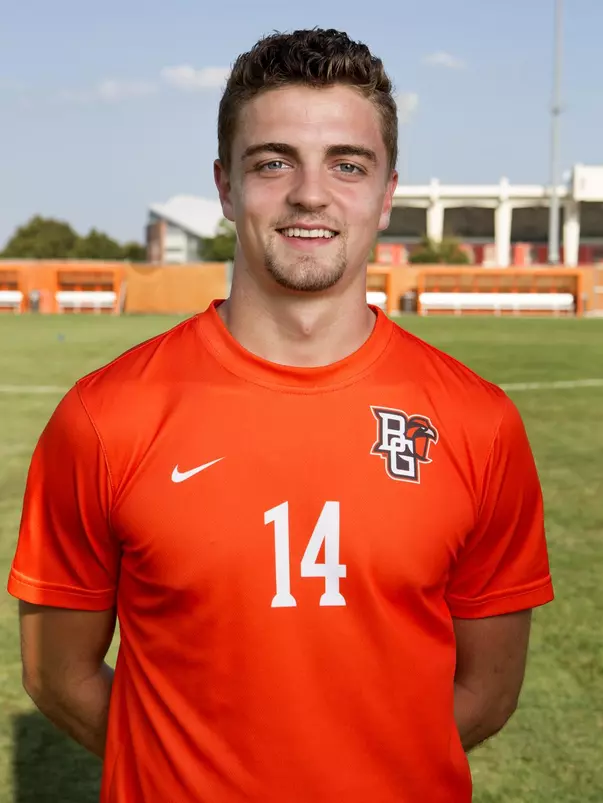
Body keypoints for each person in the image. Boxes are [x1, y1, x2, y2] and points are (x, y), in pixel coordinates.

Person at [8, 28, 554, 803]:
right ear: (226, 187)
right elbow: (56, 674)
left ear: (386, 192)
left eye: (346, 164)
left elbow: (486, 692)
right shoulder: (105, 415)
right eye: (272, 162)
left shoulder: (477, 422)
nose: (309, 193)